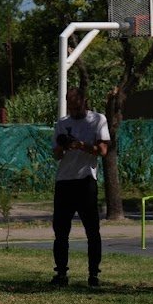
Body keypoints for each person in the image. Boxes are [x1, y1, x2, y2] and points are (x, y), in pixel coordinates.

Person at [51, 88, 109, 288]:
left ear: (85, 102)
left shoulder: (97, 120)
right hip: (64, 181)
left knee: (92, 231)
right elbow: (56, 155)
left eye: (77, 105)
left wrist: (81, 145)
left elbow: (102, 150)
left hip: (85, 181)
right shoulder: (62, 123)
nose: (74, 110)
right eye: (70, 105)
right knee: (60, 231)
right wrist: (64, 146)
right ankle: (61, 274)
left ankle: (94, 274)